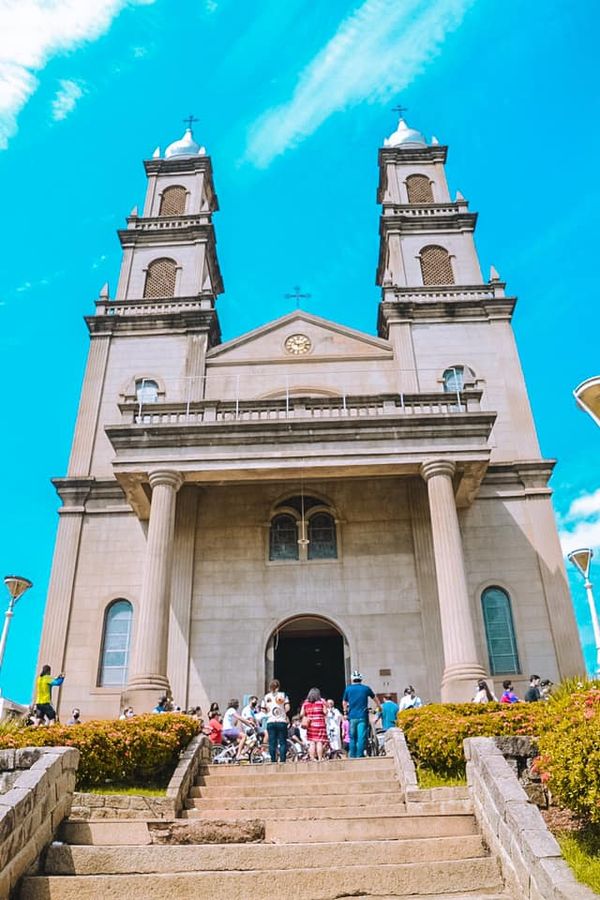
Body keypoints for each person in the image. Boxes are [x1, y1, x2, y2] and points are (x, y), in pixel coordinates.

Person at [342, 671, 379, 758]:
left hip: (352, 716)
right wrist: (379, 707)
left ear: (352, 679)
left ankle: (352, 755)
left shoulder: (348, 689)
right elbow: (375, 698)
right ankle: (360, 754)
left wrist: (345, 712)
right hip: (362, 715)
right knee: (361, 737)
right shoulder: (366, 688)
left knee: (352, 737)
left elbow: (344, 702)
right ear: (361, 679)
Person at [263, 679, 290, 763]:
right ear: (278, 687)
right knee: (282, 742)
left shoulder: (266, 697)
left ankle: (273, 760)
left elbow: (263, 710)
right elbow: (287, 708)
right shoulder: (283, 695)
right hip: (281, 720)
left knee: (272, 742)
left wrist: (269, 712)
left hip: (270, 721)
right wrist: (283, 712)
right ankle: (282, 760)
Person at [300, 688, 328, 761]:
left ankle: (312, 758)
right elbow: (325, 712)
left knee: (312, 742)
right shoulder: (321, 702)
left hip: (310, 725)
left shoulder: (305, 703)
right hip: (320, 724)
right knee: (319, 742)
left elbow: (301, 714)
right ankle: (320, 758)